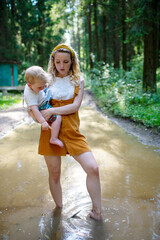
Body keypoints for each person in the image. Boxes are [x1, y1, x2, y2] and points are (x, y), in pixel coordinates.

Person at [38, 44, 102, 220]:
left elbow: (75, 106)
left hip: (72, 131)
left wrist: (51, 111)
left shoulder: (78, 80)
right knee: (55, 174)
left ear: (72, 61)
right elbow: (34, 104)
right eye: (58, 61)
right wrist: (38, 114)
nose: (62, 65)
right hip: (50, 132)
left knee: (93, 168)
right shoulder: (46, 80)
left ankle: (97, 212)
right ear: (53, 61)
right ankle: (59, 211)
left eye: (66, 61)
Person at [24, 66, 63, 148]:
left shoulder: (36, 83)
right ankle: (54, 138)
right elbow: (35, 110)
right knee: (58, 117)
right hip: (40, 108)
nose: (42, 88)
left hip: (42, 100)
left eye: (44, 85)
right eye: (40, 87)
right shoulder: (30, 95)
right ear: (29, 85)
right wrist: (43, 122)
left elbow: (43, 82)